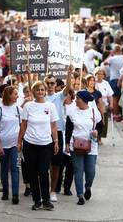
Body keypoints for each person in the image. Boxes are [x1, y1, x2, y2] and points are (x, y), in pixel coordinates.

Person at [17, 81, 59, 211]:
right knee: (32, 173)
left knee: (43, 171)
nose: (40, 92)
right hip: (30, 144)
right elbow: (23, 125)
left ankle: (46, 200)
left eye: (42, 89)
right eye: (37, 90)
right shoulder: (28, 106)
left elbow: (53, 125)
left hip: (46, 144)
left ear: (45, 91)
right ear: (33, 91)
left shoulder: (50, 106)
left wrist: (56, 141)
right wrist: (19, 142)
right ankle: (37, 201)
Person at [65, 90, 102, 205]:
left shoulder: (94, 112)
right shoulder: (72, 112)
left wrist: (97, 132)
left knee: (91, 171)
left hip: (91, 145)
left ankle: (88, 186)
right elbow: (69, 129)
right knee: (78, 171)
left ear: (84, 100)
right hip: (75, 145)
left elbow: (100, 126)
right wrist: (67, 144)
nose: (76, 100)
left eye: (78, 98)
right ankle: (80, 195)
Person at [43, 67, 72, 203]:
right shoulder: (41, 96)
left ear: (56, 84)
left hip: (58, 132)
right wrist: (30, 75)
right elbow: (32, 88)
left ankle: (53, 190)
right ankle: (44, 189)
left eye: (52, 83)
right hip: (42, 132)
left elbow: (68, 88)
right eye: (47, 83)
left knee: (56, 163)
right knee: (43, 164)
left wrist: (70, 73)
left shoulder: (59, 96)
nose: (49, 85)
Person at [0, 86, 23, 205]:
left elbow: (22, 128)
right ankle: (5, 192)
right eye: (15, 94)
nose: (17, 96)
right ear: (9, 95)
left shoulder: (18, 110)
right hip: (2, 145)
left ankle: (15, 195)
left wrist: (20, 142)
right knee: (4, 169)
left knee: (15, 169)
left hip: (15, 146)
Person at [94, 67, 113, 138]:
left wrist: (111, 104)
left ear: (104, 75)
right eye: (98, 74)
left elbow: (110, 95)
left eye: (101, 74)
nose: (99, 75)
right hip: (95, 105)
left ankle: (100, 137)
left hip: (104, 105)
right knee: (96, 122)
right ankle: (97, 137)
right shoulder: (93, 83)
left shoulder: (106, 83)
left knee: (103, 121)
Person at [107, 45, 123, 121]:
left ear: (114, 51)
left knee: (115, 98)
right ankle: (122, 115)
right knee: (122, 98)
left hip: (114, 79)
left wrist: (111, 54)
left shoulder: (111, 59)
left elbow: (105, 62)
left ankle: (116, 115)